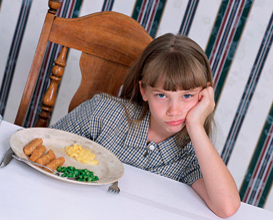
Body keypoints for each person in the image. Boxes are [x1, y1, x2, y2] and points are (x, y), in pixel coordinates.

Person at [50, 33, 240, 217]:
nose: (174, 110)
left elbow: (227, 207)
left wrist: (196, 126)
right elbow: (44, 149)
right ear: (144, 91)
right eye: (162, 95)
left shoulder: (191, 152)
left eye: (187, 96)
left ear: (205, 95)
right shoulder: (102, 113)